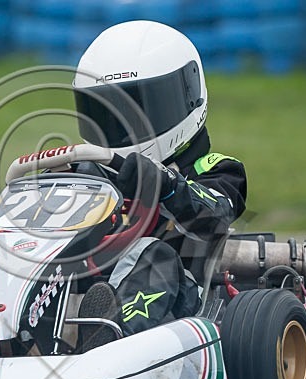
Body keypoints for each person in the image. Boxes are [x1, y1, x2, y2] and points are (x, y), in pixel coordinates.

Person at [72, 20, 248, 350]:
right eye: (108, 113)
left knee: (150, 255)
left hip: (181, 301)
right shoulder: (87, 173)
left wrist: (166, 184)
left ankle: (108, 339)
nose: (122, 128)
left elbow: (215, 215)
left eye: (136, 112)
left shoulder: (217, 171)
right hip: (83, 286)